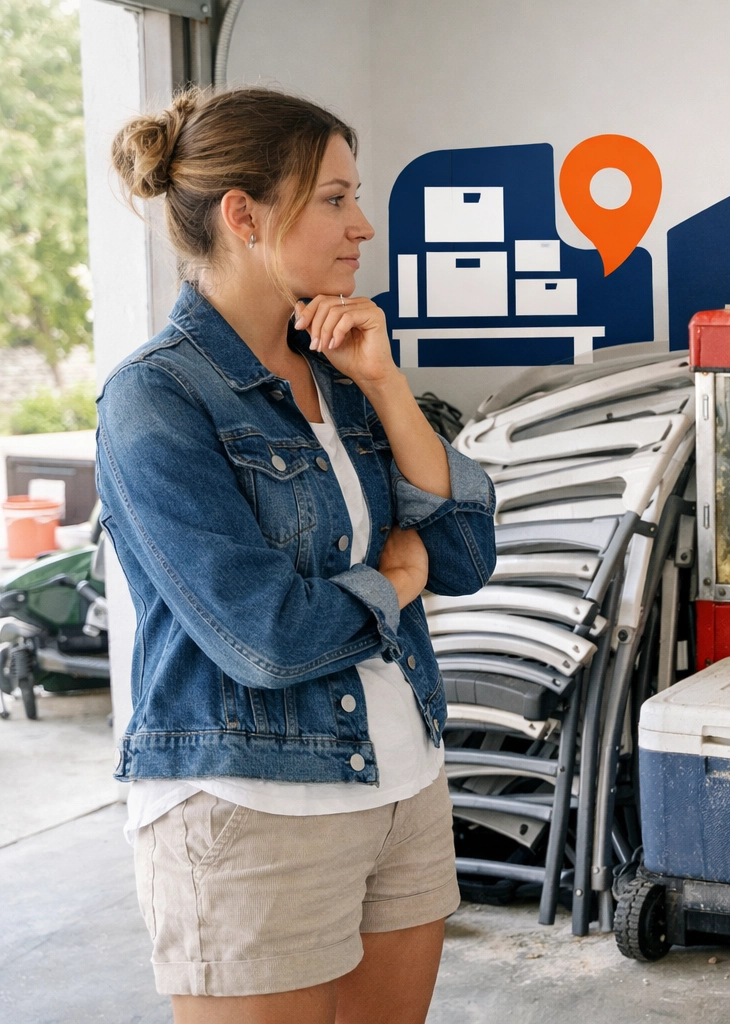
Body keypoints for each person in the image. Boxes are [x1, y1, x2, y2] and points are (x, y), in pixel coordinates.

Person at [98, 86, 495, 1023]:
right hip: (250, 808)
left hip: (405, 784)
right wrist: (396, 582)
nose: (362, 225)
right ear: (244, 215)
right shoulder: (155, 401)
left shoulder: (346, 370)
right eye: (333, 198)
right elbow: (267, 637)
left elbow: (469, 555)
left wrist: (389, 387)